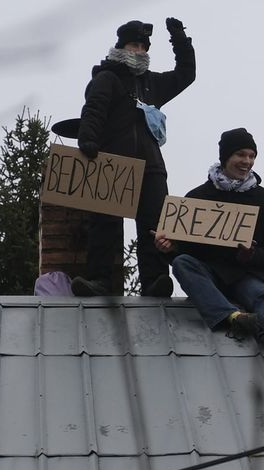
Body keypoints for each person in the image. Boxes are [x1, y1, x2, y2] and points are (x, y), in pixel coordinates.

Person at [70, 17, 197, 298]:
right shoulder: (108, 77)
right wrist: (87, 140)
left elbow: (186, 74)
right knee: (105, 224)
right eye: (133, 44)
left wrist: (179, 38)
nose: (139, 50)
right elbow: (94, 109)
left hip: (151, 165)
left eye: (143, 46)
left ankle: (154, 281)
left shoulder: (152, 83)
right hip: (112, 162)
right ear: (121, 46)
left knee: (154, 225)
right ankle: (101, 280)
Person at [160, 128, 264, 348]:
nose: (246, 161)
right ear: (225, 157)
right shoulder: (197, 198)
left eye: (251, 156)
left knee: (262, 293)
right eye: (240, 154)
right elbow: (185, 251)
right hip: (211, 274)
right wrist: (169, 248)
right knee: (182, 263)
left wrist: (252, 255)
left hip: (249, 274)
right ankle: (233, 318)